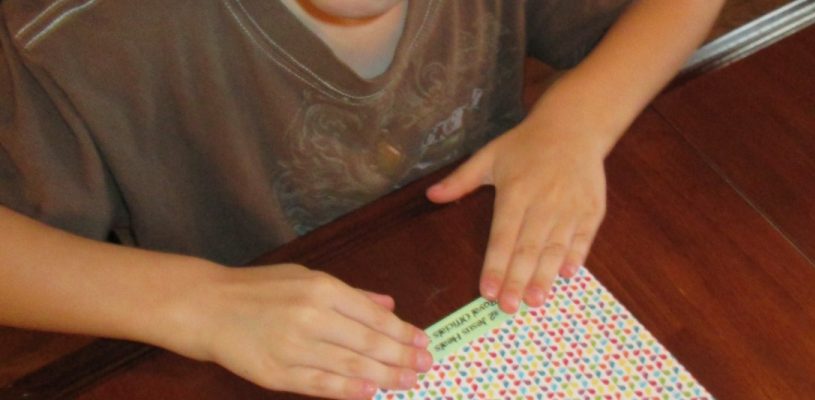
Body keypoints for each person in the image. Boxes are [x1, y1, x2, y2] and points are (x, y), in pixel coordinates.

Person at [0, 0, 724, 398]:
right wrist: (195, 303)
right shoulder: (81, 34)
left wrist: (578, 118)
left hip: (461, 262)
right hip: (247, 341)